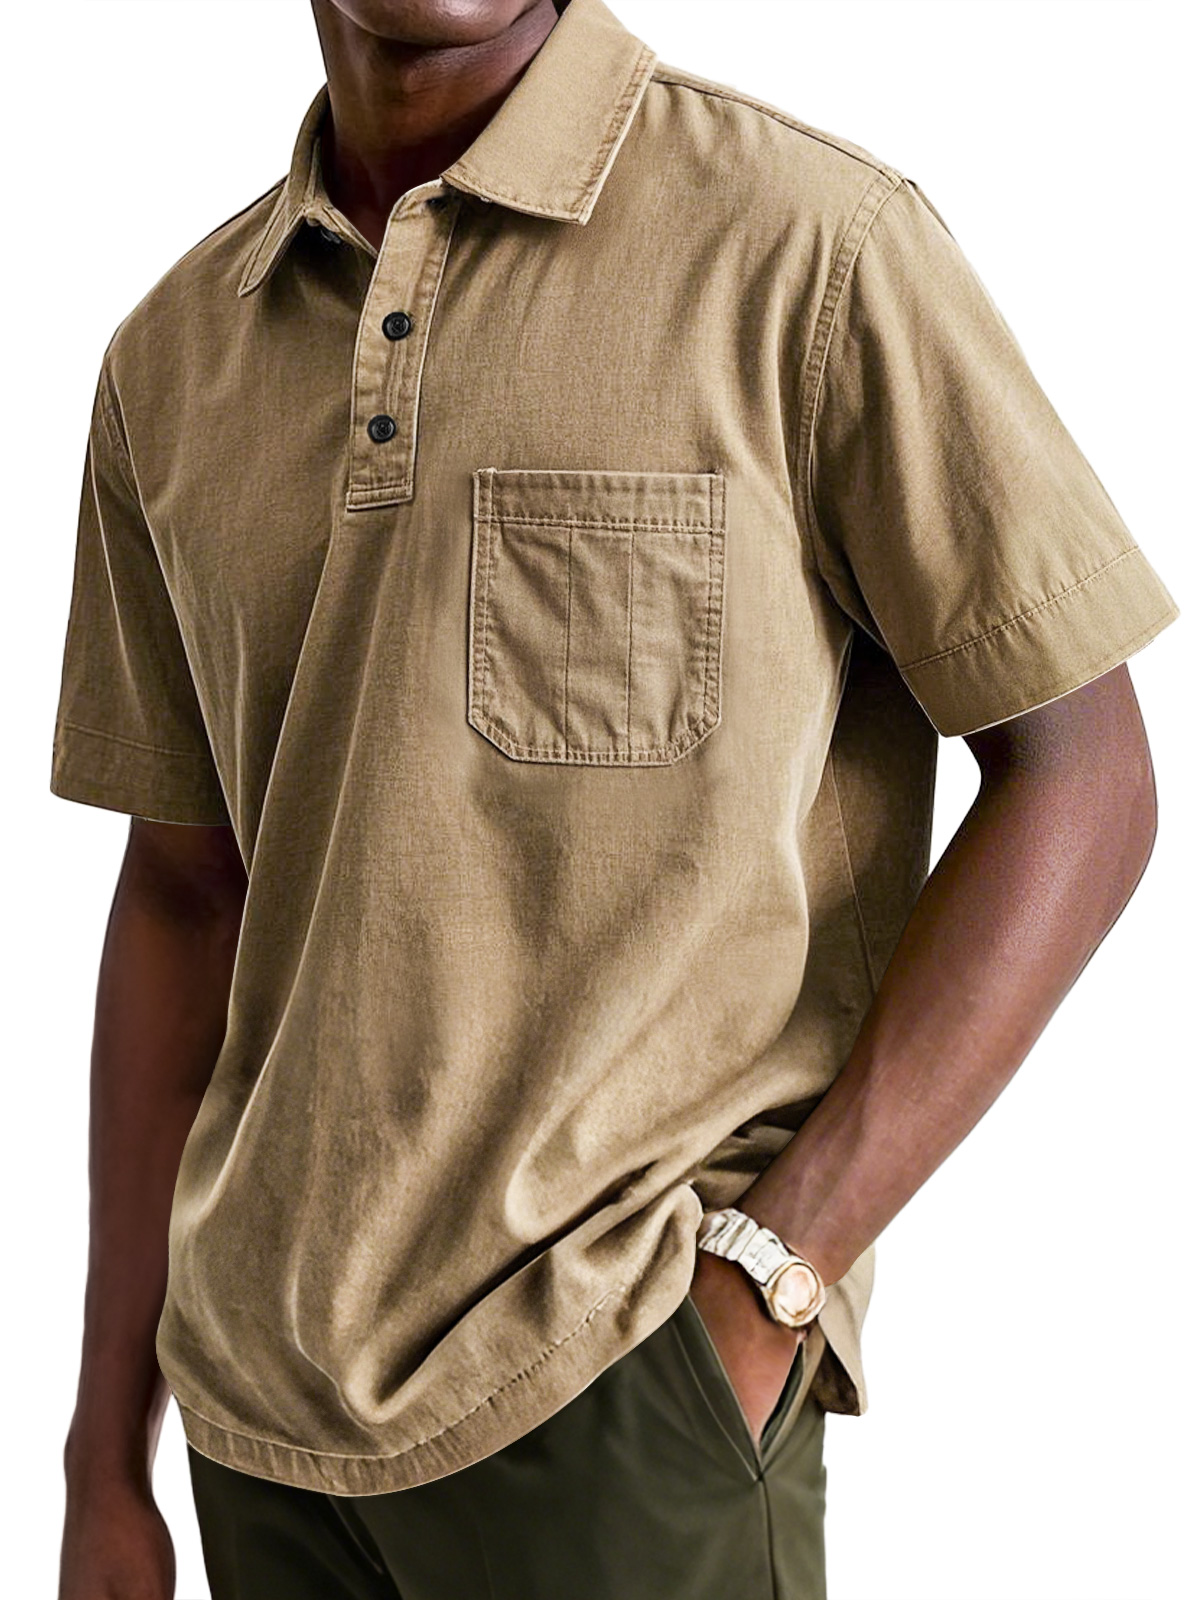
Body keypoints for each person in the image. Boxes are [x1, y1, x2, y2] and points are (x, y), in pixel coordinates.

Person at [52, 1, 1179, 1596]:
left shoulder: (810, 246)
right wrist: (106, 1451)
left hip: (621, 1386)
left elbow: (1087, 778)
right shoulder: (173, 355)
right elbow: (184, 895)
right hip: (258, 1431)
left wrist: (776, 1270)